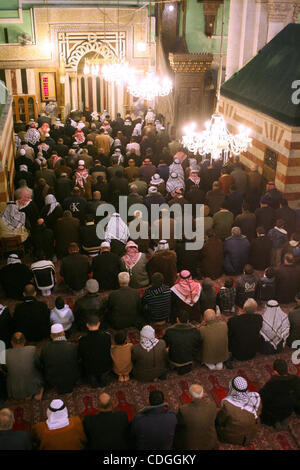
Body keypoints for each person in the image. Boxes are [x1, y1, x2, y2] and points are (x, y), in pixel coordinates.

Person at [216, 376, 262, 446]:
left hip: (232, 437)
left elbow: (220, 420)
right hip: (250, 435)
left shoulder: (228, 404)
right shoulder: (256, 398)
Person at [174, 384, 218, 450]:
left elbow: (178, 424)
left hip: (190, 446)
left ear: (190, 396)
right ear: (203, 394)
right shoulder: (212, 406)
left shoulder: (183, 410)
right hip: (210, 444)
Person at [259, 359, 300, 429]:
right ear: (287, 369)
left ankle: (275, 422)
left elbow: (261, 397)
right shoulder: (296, 380)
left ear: (275, 371)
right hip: (289, 407)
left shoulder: (271, 385)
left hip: (276, 410)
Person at [40, 324, 79, 394]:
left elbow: (42, 364)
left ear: (51, 336)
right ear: (63, 333)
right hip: (72, 378)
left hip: (53, 380)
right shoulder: (72, 347)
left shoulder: (45, 349)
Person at [5, 332, 43, 401]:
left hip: (14, 391)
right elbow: (39, 365)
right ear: (24, 341)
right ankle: (37, 393)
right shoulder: (32, 349)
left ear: (11, 342)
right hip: (32, 389)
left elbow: (5, 370)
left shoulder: (5, 353)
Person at [78, 313, 112, 388]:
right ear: (99, 324)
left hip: (90, 369)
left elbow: (80, 355)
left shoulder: (82, 340)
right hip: (105, 367)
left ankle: (94, 384)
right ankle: (103, 383)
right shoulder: (107, 337)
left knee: (91, 377)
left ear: (87, 325)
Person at [163, 311, 201, 375]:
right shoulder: (195, 331)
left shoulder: (169, 331)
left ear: (177, 319)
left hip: (174, 359)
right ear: (188, 321)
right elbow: (198, 345)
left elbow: (164, 345)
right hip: (190, 359)